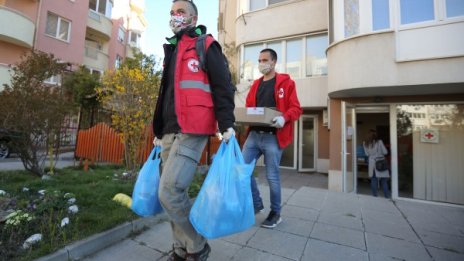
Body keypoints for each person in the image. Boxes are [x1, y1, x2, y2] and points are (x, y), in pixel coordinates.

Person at [151, 1, 235, 260]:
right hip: (168, 131)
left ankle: (197, 245)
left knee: (169, 192)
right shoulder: (172, 49)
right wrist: (157, 130)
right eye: (172, 13)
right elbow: (165, 95)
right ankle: (180, 248)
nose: (175, 16)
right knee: (173, 193)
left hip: (193, 128)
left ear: (193, 17)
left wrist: (227, 124)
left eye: (181, 12)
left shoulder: (205, 44)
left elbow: (223, 86)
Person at [242, 48, 302, 229]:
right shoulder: (255, 85)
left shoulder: (286, 83)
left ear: (274, 62)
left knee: (272, 176)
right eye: (259, 60)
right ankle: (255, 203)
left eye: (265, 60)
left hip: (273, 137)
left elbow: (296, 108)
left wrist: (284, 117)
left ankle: (276, 213)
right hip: (253, 136)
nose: (261, 63)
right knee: (242, 170)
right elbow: (248, 107)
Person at [363, 129, 390, 198]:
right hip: (380, 162)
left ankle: (374, 195)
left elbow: (366, 154)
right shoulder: (379, 142)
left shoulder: (365, 143)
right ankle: (386, 196)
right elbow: (385, 152)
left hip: (372, 163)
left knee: (373, 179)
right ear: (375, 135)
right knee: (384, 180)